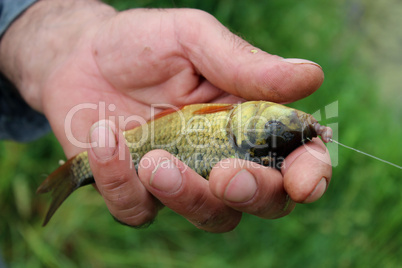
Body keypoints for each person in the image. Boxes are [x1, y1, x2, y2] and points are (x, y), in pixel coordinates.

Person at [0, 0, 331, 233]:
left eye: (281, 124)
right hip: (162, 135)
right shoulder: (236, 120)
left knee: (202, 181)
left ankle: (79, 173)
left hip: (158, 140)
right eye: (285, 121)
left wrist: (55, 47)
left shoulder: (237, 122)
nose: (290, 117)